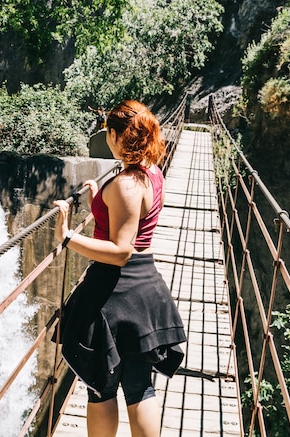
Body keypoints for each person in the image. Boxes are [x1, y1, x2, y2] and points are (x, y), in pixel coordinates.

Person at [54, 100, 187, 437]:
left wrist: (68, 237)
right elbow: (134, 220)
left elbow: (119, 251)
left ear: (115, 135)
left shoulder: (126, 184)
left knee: (102, 385)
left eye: (107, 133)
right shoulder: (152, 173)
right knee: (139, 383)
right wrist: (100, 200)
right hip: (145, 286)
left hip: (115, 291)